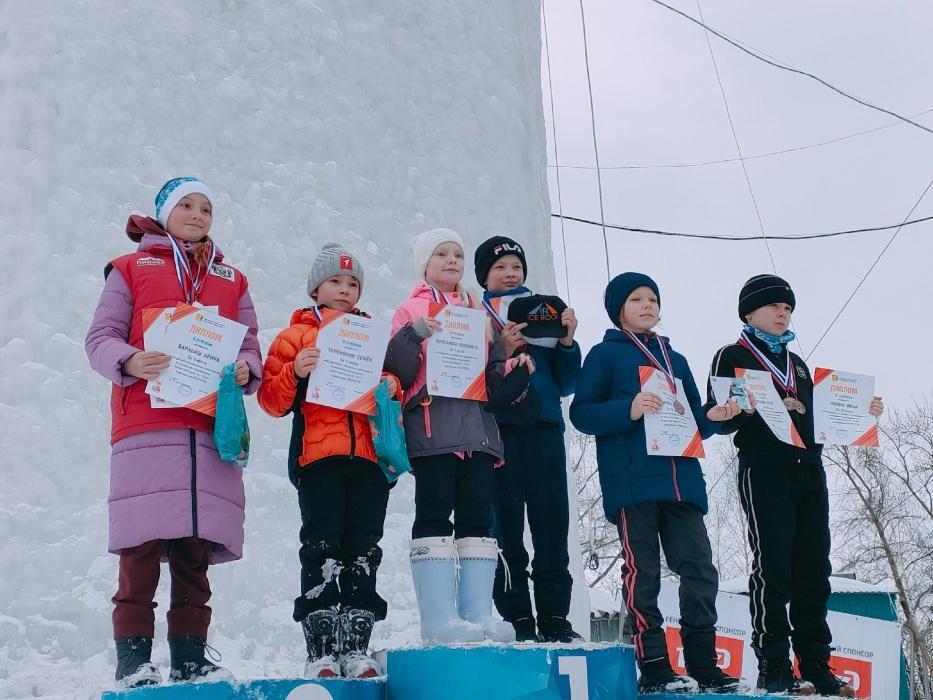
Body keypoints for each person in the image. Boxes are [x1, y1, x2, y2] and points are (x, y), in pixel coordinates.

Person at [85, 177, 262, 687]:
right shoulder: (130, 268)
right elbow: (100, 340)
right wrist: (132, 359)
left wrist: (248, 368)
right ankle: (133, 661)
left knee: (194, 552)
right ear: (163, 213)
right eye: (186, 204)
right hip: (147, 425)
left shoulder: (232, 279)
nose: (198, 214)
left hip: (209, 430)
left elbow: (250, 344)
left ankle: (190, 658)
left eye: (207, 207)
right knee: (139, 551)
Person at [705, 274, 883, 696]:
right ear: (749, 312)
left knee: (814, 570)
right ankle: (774, 665)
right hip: (764, 469)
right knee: (773, 568)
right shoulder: (731, 354)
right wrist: (727, 410)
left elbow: (821, 418)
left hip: (809, 469)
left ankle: (816, 664)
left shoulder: (799, 364)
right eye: (773, 307)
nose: (782, 314)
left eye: (787, 309)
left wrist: (862, 412)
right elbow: (721, 416)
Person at [570, 272, 742, 694]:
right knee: (642, 573)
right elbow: (582, 412)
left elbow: (693, 419)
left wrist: (715, 419)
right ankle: (654, 666)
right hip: (633, 481)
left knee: (700, 570)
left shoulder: (675, 359)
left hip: (683, 481)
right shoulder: (604, 355)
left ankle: (703, 664)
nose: (647, 305)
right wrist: (627, 408)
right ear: (618, 309)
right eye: (636, 299)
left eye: (653, 299)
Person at [258, 243, 407, 679]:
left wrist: (390, 384)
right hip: (317, 458)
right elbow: (271, 400)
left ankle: (357, 646)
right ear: (315, 288)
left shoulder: (371, 334)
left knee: (363, 548)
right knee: (321, 548)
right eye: (336, 281)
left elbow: (393, 380)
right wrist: (295, 371)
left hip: (369, 459)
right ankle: (320, 650)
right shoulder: (295, 336)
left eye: (353, 283)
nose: (345, 290)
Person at [386, 228, 532, 645]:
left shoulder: (476, 312)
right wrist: (414, 333)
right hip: (433, 430)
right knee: (434, 515)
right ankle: (438, 619)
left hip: (479, 435)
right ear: (424, 265)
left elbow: (487, 376)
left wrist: (508, 361)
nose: (452, 261)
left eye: (457, 254)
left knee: (477, 521)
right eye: (441, 254)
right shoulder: (409, 309)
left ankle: (476, 615)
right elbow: (397, 371)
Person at [473, 235, 583, 643]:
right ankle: (517, 618)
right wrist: (500, 349)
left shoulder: (545, 312)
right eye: (500, 267)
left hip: (543, 426)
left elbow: (570, 382)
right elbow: (466, 373)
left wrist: (568, 342)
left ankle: (555, 618)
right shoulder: (473, 313)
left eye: (516, 265)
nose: (509, 272)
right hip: (496, 429)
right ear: (484, 275)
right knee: (503, 528)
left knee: (551, 523)